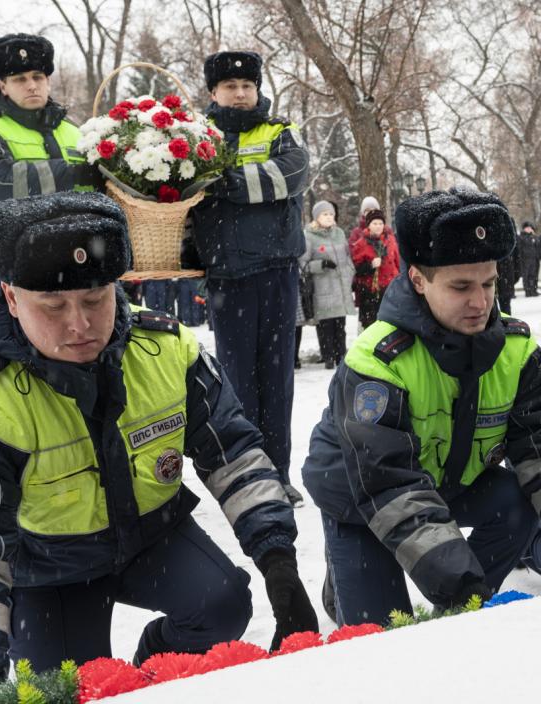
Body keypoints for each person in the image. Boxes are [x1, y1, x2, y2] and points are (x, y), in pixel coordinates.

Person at [0, 192, 318, 704]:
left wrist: (279, 563)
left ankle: (154, 672)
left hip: (154, 537)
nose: (79, 325)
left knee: (223, 605)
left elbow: (234, 455)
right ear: (12, 299)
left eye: (94, 299)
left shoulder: (167, 349)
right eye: (54, 306)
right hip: (49, 567)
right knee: (65, 690)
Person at [301, 187, 541, 625]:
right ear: (418, 279)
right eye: (460, 286)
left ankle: (458, 612)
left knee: (517, 500)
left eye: (489, 283)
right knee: (382, 635)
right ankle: (349, 581)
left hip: (447, 478)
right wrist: (458, 580)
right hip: (359, 498)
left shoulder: (517, 351)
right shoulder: (378, 361)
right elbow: (388, 483)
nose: (479, 302)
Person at [190, 50, 309, 506]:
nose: (240, 94)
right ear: (213, 92)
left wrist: (225, 183)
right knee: (236, 383)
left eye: (247, 86)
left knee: (277, 379)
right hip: (226, 275)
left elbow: (290, 176)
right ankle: (247, 474)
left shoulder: (280, 131)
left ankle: (278, 472)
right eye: (229, 87)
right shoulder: (196, 138)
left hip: (276, 271)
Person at [0, 33, 98, 289]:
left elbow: (98, 190)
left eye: (38, 77)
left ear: (48, 81)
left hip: (82, 265)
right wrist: (74, 174)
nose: (31, 85)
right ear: (3, 85)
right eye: (20, 79)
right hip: (15, 272)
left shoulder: (74, 130)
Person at [301, 200, 355, 369]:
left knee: (341, 326)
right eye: (325, 214)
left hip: (340, 288)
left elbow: (347, 257)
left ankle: (341, 356)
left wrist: (349, 272)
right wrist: (321, 265)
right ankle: (328, 357)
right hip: (322, 289)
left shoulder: (339, 233)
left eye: (331, 214)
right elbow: (302, 264)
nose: (329, 217)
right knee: (326, 327)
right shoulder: (308, 235)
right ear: (316, 217)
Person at [350, 208, 400, 329]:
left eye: (381, 223)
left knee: (389, 324)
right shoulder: (360, 243)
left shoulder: (391, 240)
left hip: (389, 289)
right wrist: (370, 265)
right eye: (375, 223)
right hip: (370, 292)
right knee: (372, 326)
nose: (378, 226)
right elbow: (356, 270)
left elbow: (397, 263)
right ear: (368, 225)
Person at [517, 221, 541, 296]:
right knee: (526, 276)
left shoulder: (533, 237)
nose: (529, 229)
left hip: (534, 259)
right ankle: (527, 291)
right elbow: (519, 249)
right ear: (524, 229)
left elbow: (538, 245)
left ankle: (533, 290)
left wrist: (534, 236)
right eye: (527, 228)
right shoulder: (521, 237)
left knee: (533, 275)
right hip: (525, 260)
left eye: (530, 228)